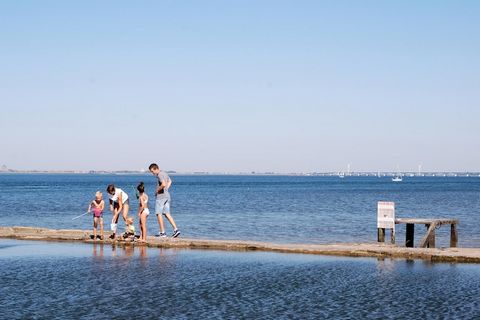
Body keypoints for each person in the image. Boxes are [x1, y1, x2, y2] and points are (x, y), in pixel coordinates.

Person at [148, 163, 180, 238]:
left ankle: (163, 232)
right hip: (167, 196)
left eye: (152, 172)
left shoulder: (159, 174)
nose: (152, 174)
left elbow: (163, 184)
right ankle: (176, 229)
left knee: (158, 214)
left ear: (156, 169)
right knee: (167, 213)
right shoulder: (164, 173)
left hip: (161, 197)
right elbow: (170, 181)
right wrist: (166, 189)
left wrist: (157, 190)